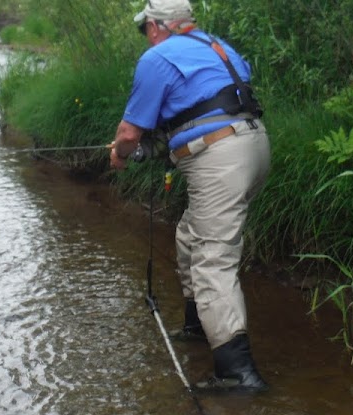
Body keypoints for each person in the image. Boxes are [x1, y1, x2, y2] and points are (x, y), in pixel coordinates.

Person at [109, 0, 270, 392]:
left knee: (213, 259)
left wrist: (119, 154)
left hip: (220, 157)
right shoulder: (218, 47)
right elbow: (203, 105)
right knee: (189, 236)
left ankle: (238, 373)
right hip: (254, 146)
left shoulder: (158, 57)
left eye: (144, 28)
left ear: (156, 27)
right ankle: (201, 326)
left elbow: (130, 134)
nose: (146, 36)